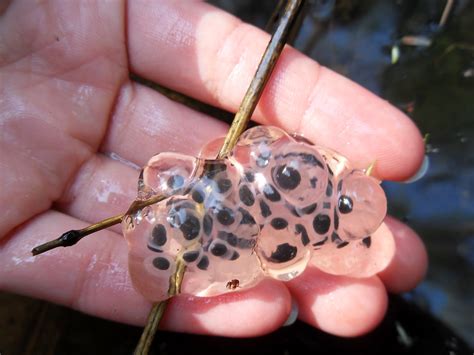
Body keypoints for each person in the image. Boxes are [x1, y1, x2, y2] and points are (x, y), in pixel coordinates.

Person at [0, 0, 427, 338]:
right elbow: (256, 150)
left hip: (219, 226)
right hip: (211, 215)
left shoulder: (298, 224)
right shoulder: (301, 176)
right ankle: (177, 237)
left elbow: (259, 158)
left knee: (214, 239)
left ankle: (177, 241)